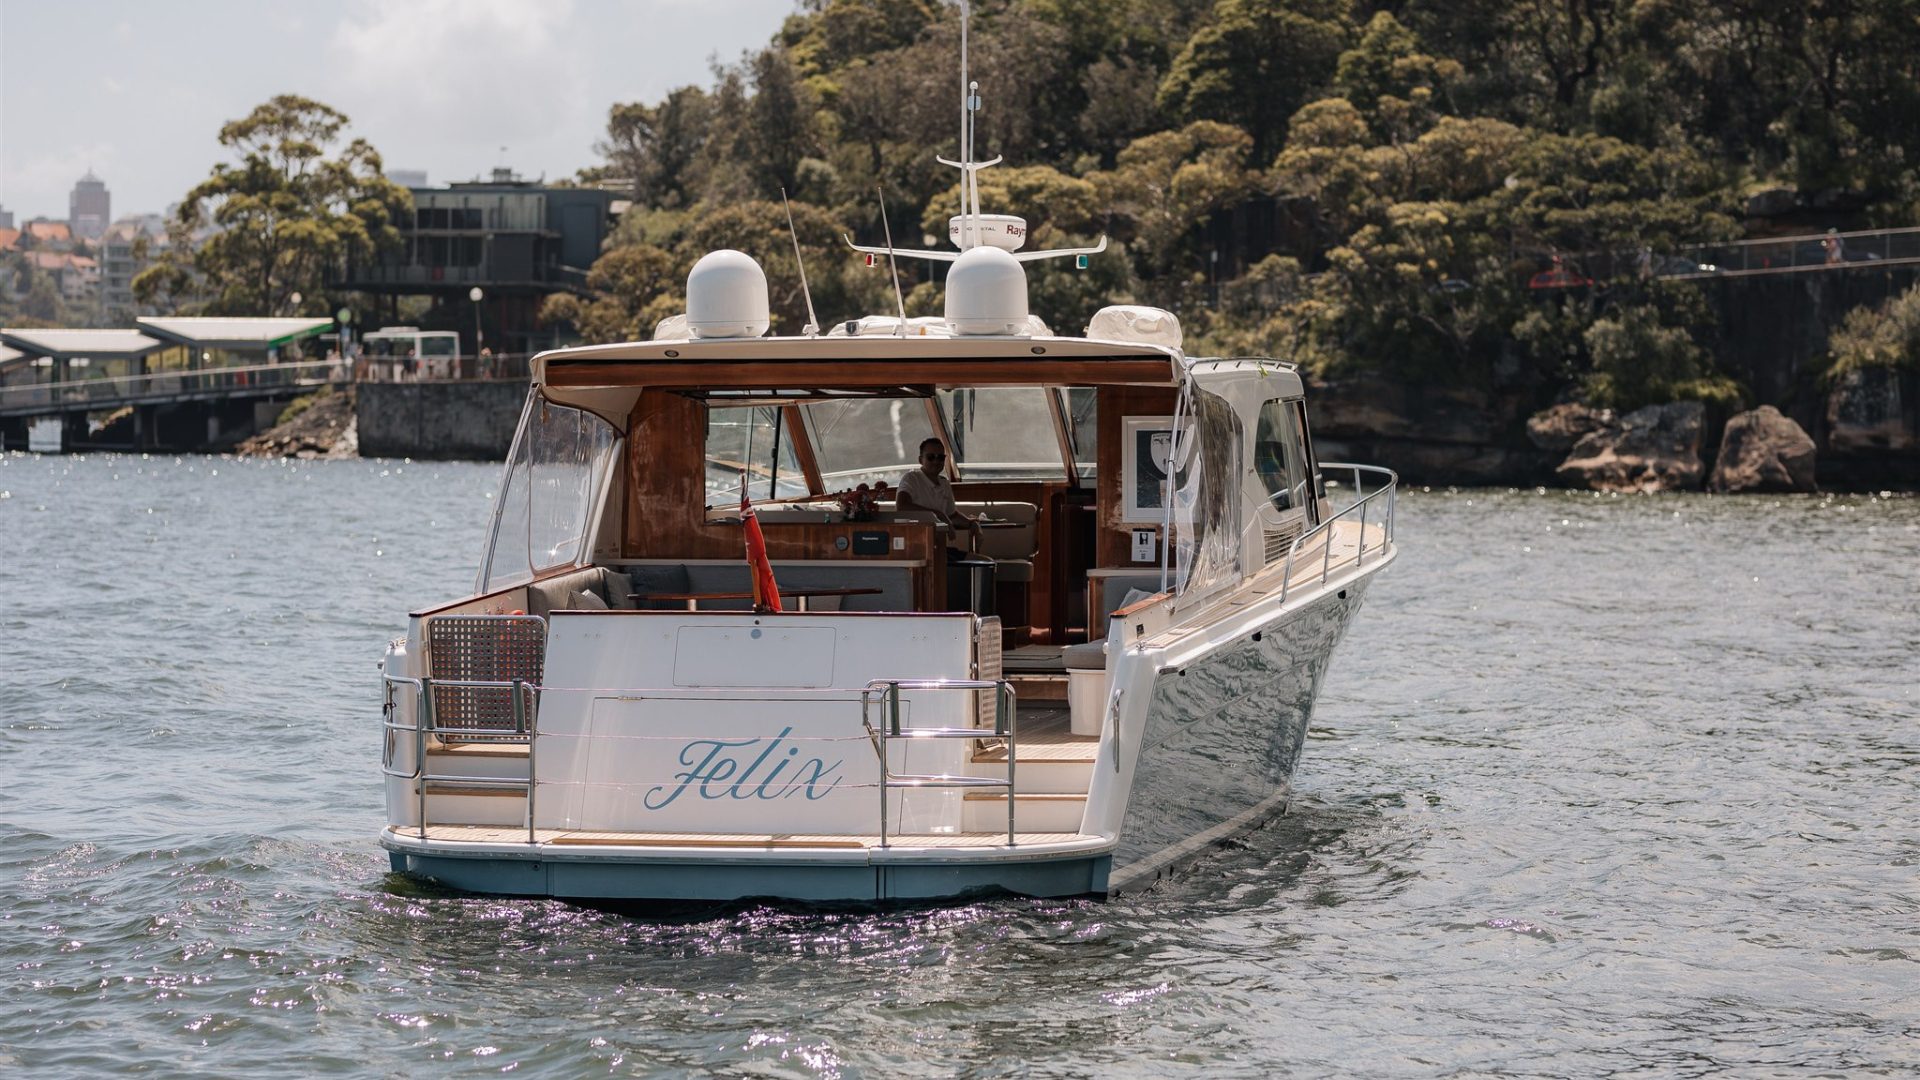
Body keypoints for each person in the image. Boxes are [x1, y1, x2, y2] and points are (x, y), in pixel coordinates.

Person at [897, 437, 981, 554]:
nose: (936, 461)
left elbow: (951, 515)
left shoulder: (944, 483)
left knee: (980, 560)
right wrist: (938, 514)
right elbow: (902, 506)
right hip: (914, 546)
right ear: (921, 460)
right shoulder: (911, 478)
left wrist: (972, 524)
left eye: (940, 457)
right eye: (931, 457)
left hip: (937, 547)